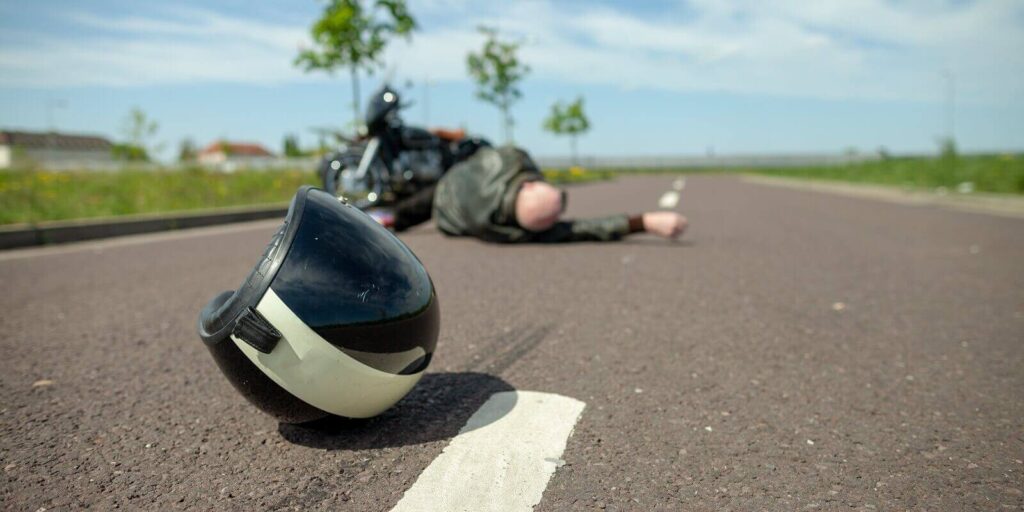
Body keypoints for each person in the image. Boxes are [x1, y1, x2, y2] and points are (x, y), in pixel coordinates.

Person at [386, 146, 687, 243]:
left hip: (443, 186)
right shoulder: (508, 233)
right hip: (444, 216)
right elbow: (584, 230)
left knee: (401, 208)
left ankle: (385, 217)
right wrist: (644, 222)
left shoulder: (511, 159)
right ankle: (386, 218)